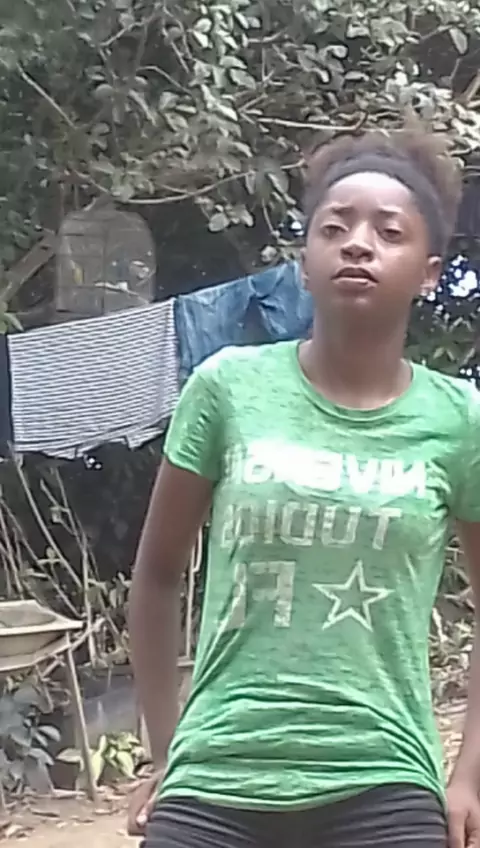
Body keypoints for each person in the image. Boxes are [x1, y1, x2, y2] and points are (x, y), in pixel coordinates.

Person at [127, 125, 480, 848]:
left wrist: (469, 775)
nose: (359, 244)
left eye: (389, 232)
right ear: (305, 262)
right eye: (335, 227)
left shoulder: (460, 420)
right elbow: (157, 575)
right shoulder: (227, 387)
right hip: (218, 772)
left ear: (429, 273)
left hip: (384, 776)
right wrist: (166, 751)